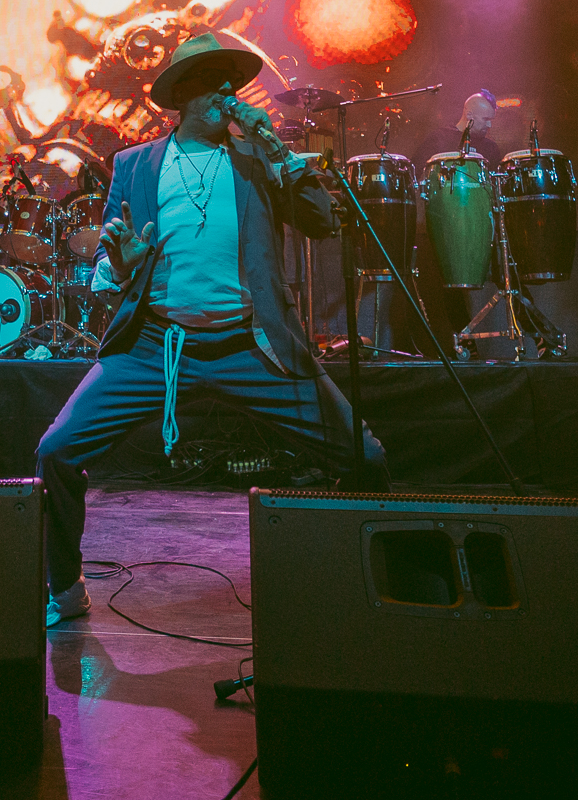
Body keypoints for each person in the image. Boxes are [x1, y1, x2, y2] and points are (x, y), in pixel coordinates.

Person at [36, 31, 390, 627]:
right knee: (57, 452)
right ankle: (66, 588)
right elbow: (107, 261)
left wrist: (276, 149)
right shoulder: (135, 164)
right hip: (155, 347)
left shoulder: (256, 160)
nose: (224, 93)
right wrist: (120, 265)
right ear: (180, 96)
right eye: (208, 83)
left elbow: (323, 220)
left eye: (230, 83)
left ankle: (368, 582)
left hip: (249, 346)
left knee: (366, 456)